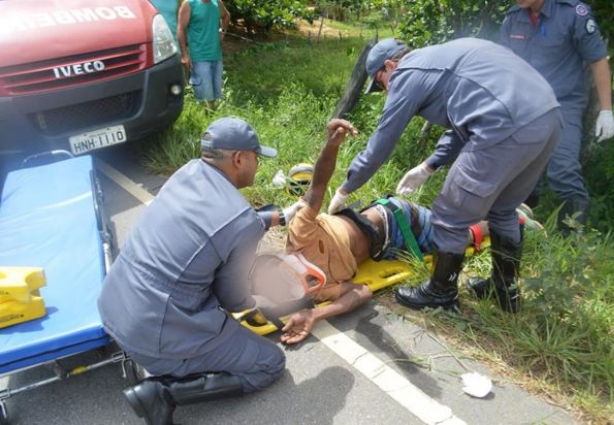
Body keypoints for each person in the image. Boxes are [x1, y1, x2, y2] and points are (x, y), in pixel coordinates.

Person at [326, 37, 563, 314]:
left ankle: (441, 293)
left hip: (505, 125)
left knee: (450, 214)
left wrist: (346, 188)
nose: (385, 91)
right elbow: (464, 122)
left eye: (380, 84)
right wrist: (429, 165)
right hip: (547, 118)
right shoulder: (440, 58)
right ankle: (504, 290)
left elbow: (382, 142)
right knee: (503, 209)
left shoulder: (406, 73)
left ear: (390, 65)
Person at [259, 119, 538, 345]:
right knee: (450, 227)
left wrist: (331, 145)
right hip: (390, 234)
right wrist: (316, 315)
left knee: (453, 238)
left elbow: (317, 186)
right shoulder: (319, 290)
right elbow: (361, 292)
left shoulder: (300, 235)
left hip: (396, 221)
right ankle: (498, 213)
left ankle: (507, 218)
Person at [97, 117, 285, 425]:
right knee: (269, 363)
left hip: (113, 307)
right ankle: (164, 393)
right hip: (154, 335)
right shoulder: (240, 222)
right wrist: (258, 304)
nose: (257, 165)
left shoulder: (185, 174)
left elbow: (207, 229)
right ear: (239, 158)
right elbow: (232, 299)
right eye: (256, 157)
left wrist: (263, 219)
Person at [499, 0, 614, 233]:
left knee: (563, 169)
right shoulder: (513, 18)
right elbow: (502, 64)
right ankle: (520, 232)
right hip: (524, 105)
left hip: (563, 104)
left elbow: (598, 59)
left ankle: (571, 243)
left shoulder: (572, 13)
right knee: (518, 170)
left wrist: (606, 110)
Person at [178, 0, 230, 111]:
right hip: (199, 57)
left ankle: (210, 117)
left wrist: (222, 31)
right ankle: (206, 120)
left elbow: (226, 16)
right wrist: (184, 55)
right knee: (205, 97)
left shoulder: (217, 3)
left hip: (216, 55)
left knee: (215, 94)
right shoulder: (189, 4)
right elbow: (181, 29)